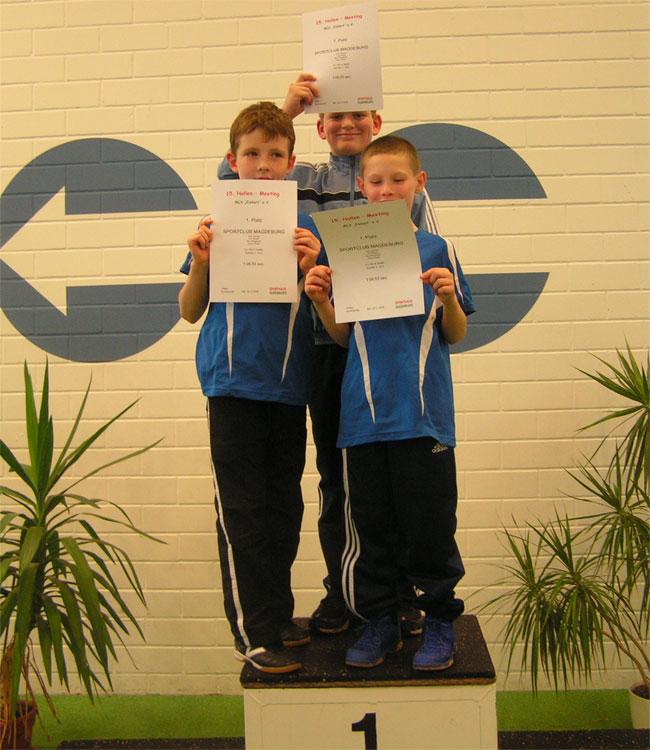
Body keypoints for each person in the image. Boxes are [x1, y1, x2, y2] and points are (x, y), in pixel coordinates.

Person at [219, 73, 443, 638]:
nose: (347, 123)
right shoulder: (303, 180)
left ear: (376, 122)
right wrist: (284, 110)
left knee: (389, 480)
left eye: (358, 113)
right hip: (321, 350)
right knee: (335, 481)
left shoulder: (396, 183)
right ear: (318, 128)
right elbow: (236, 187)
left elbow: (432, 257)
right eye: (335, 116)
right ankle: (344, 595)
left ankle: (398, 596)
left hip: (379, 354)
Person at [304, 135, 475, 670]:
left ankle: (439, 620)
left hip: (423, 418)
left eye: (397, 180)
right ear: (361, 187)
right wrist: (321, 300)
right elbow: (342, 337)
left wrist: (447, 297)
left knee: (430, 529)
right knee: (371, 531)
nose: (386, 190)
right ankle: (380, 621)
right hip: (361, 419)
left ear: (418, 184)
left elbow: (456, 332)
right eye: (375, 182)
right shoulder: (348, 249)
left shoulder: (438, 250)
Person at [179, 101, 323, 674]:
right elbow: (189, 310)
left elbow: (329, 308)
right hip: (232, 386)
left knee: (283, 511)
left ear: (291, 163)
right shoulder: (214, 226)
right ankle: (253, 634)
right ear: (232, 160)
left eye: (275, 155)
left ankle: (278, 616)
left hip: (288, 389)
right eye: (252, 154)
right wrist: (200, 262)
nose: (263, 165)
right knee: (242, 513)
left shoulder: (307, 230)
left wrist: (312, 267)